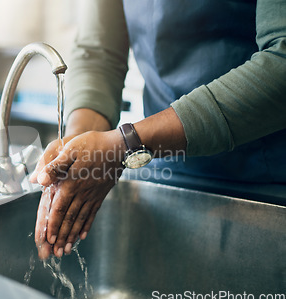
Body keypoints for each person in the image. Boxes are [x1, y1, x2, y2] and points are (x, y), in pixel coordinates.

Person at [29, 0, 286, 259]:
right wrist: (79, 145)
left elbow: (282, 62)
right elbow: (99, 52)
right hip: (165, 172)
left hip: (265, 183)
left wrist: (127, 143)